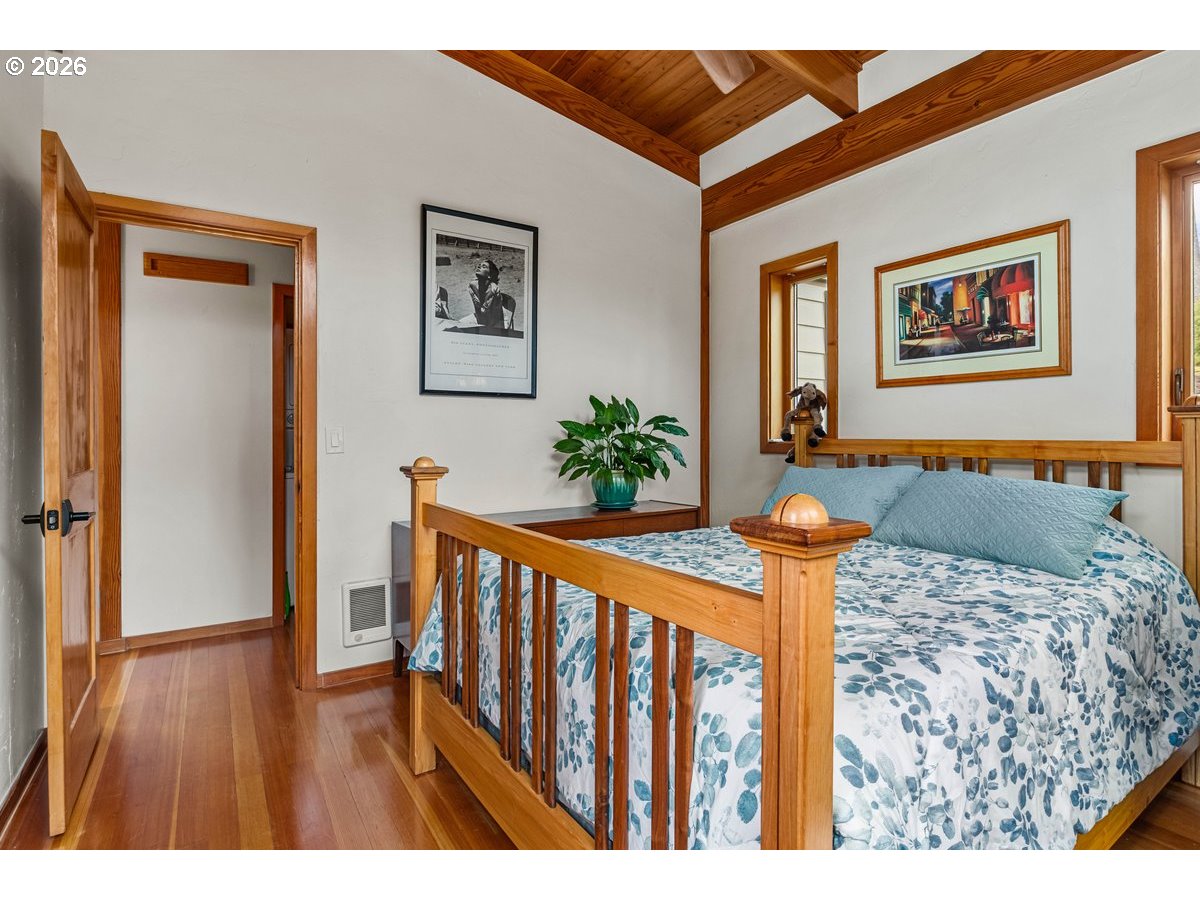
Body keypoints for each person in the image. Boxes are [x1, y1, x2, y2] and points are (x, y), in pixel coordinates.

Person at [469, 259, 507, 329]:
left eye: (484, 266)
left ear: (490, 275)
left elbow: (487, 312)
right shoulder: (472, 286)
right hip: (480, 319)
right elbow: (478, 309)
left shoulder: (494, 289)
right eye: (479, 266)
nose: (479, 267)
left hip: (496, 322)